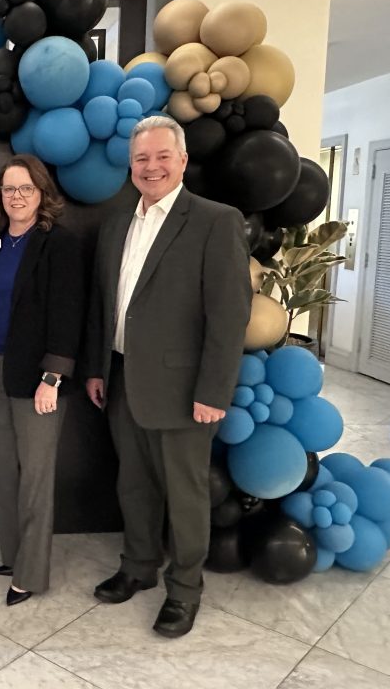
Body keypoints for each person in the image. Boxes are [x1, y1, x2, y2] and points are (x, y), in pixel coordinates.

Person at [83, 116, 251, 638]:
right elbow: (103, 307)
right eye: (141, 158)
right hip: (120, 378)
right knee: (133, 484)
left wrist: (212, 391)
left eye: (161, 156)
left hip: (184, 389)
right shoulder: (116, 224)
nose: (151, 166)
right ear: (130, 166)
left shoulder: (214, 220)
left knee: (185, 493)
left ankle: (185, 590)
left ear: (180, 161)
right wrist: (96, 367)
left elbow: (229, 315)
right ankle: (138, 567)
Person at [0, 154, 84, 607]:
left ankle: (31, 574)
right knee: (3, 472)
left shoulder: (59, 244)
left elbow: (67, 313)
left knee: (35, 476)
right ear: (0, 196)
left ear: (41, 194)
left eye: (25, 189)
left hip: (38, 377)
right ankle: (14, 554)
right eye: (9, 189)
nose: (16, 197)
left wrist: (53, 377)